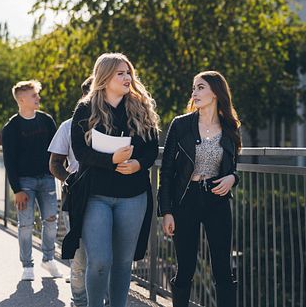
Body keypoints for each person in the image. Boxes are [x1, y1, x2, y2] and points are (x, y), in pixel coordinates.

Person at [64, 53, 159, 307]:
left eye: (129, 72)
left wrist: (138, 163)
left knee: (123, 262)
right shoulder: (85, 108)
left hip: (133, 195)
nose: (127, 77)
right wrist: (111, 160)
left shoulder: (141, 107)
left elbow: (152, 149)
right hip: (95, 194)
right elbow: (80, 151)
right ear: (105, 77)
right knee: (99, 262)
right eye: (121, 73)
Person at [158, 70, 241, 307]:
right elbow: (166, 170)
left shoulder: (230, 127)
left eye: (201, 87)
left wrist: (232, 179)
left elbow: (234, 166)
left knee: (223, 270)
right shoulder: (181, 125)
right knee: (185, 268)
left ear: (216, 92)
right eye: (194, 88)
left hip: (217, 199)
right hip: (186, 199)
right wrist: (167, 211)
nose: (194, 93)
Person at [1, 80, 62, 281]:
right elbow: (9, 160)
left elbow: (57, 151)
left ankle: (48, 258)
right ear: (22, 99)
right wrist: (16, 189)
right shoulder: (11, 127)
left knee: (51, 220)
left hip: (47, 179)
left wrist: (59, 174)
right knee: (25, 224)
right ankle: (27, 266)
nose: (38, 98)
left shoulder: (46, 120)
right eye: (34, 95)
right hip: (24, 183)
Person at [48, 76, 93, 307]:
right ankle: (79, 302)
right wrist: (70, 180)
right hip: (75, 197)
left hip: (108, 195)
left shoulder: (119, 123)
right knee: (80, 258)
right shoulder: (68, 126)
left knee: (104, 258)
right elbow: (55, 163)